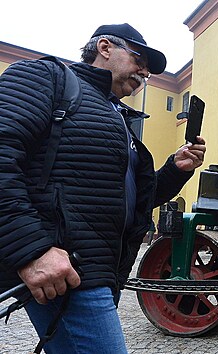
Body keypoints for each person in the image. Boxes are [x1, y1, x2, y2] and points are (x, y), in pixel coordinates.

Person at [0, 23, 206, 353]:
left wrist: (172, 171)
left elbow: (131, 202)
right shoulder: (46, 78)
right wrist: (32, 250)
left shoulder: (116, 117)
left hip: (97, 269)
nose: (143, 72)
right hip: (65, 267)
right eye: (140, 59)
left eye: (148, 72)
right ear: (105, 47)